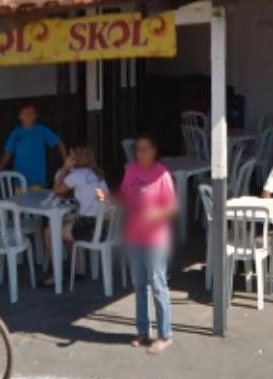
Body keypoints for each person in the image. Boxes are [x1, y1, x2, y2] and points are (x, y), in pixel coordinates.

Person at [119, 133, 177, 353]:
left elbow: (170, 207)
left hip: (155, 239)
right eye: (138, 149)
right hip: (135, 236)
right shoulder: (131, 170)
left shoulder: (162, 174)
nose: (140, 153)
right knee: (139, 284)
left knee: (157, 283)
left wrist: (155, 215)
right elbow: (125, 196)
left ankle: (165, 334)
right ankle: (142, 331)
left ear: (153, 151)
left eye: (145, 149)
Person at [43, 147, 107, 287]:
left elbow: (56, 190)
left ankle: (56, 276)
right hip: (103, 226)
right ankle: (77, 270)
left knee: (50, 232)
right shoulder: (98, 174)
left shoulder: (76, 175)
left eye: (71, 157)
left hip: (89, 228)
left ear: (75, 159)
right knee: (67, 223)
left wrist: (65, 169)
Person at [0, 102, 67, 189]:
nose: (29, 115)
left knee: (36, 202)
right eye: (26, 113)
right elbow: (7, 153)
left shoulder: (42, 130)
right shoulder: (15, 133)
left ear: (36, 116)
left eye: (31, 113)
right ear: (20, 116)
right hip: (19, 180)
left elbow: (59, 142)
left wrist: (66, 162)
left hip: (37, 180)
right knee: (19, 202)